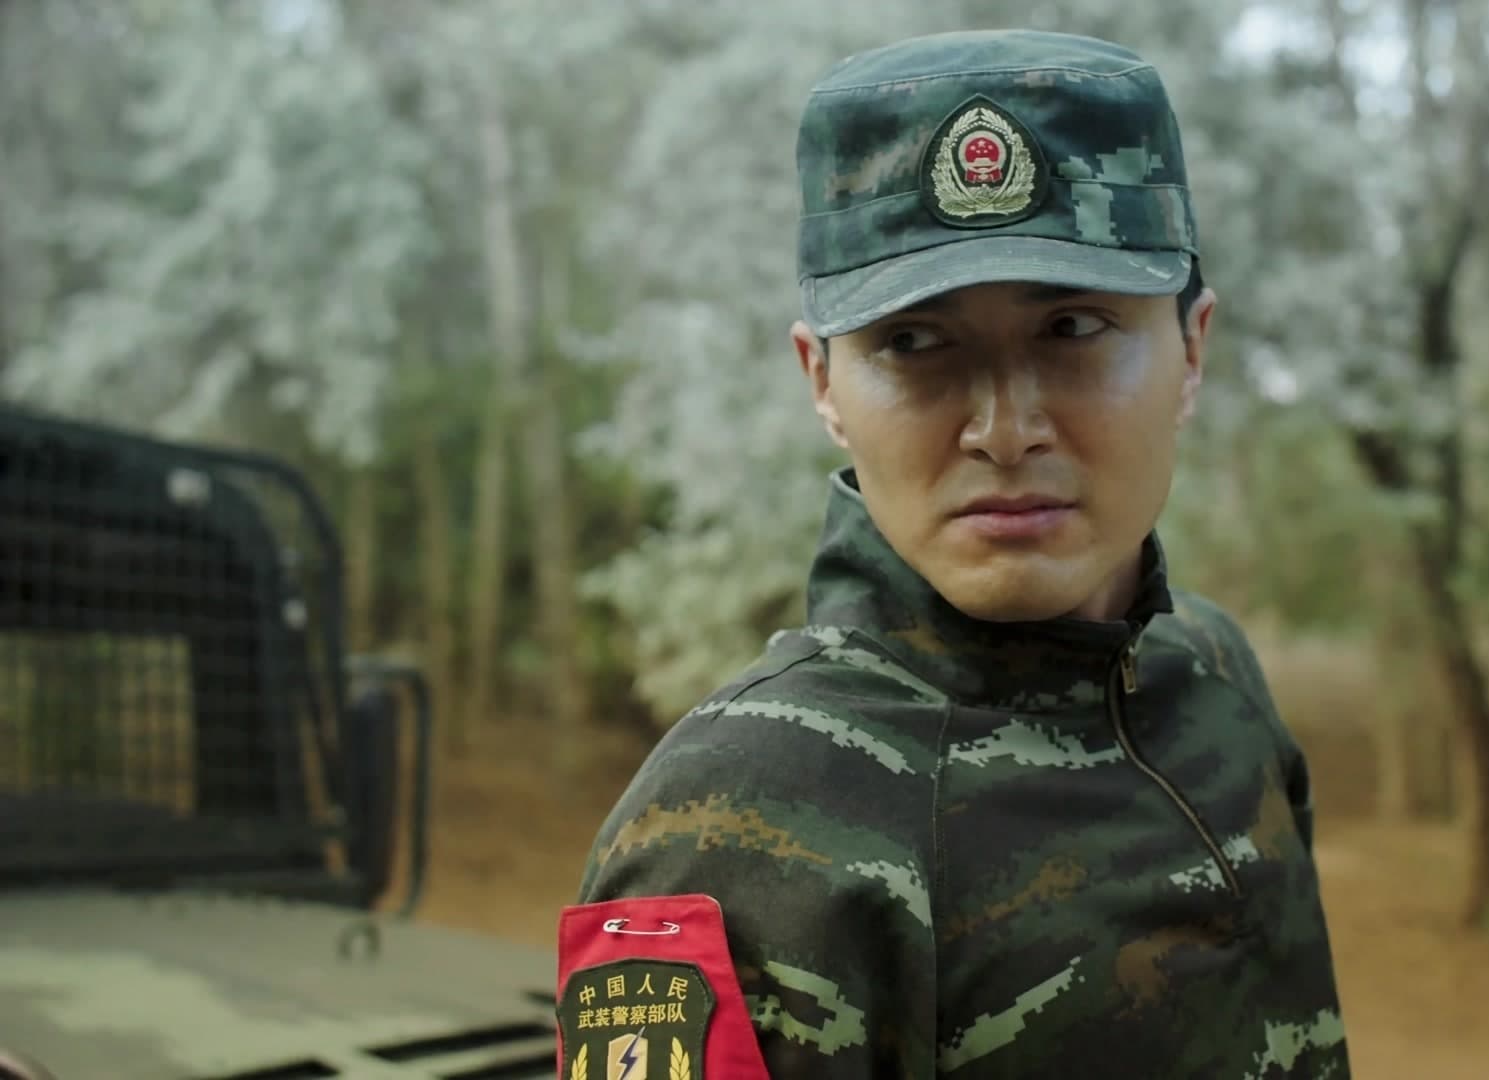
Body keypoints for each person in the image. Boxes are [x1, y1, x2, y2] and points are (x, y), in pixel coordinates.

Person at [556, 28, 1350, 1080]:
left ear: (1192, 350)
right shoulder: (725, 827)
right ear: (824, 382)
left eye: (1073, 327)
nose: (1005, 430)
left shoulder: (1215, 679)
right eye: (916, 342)